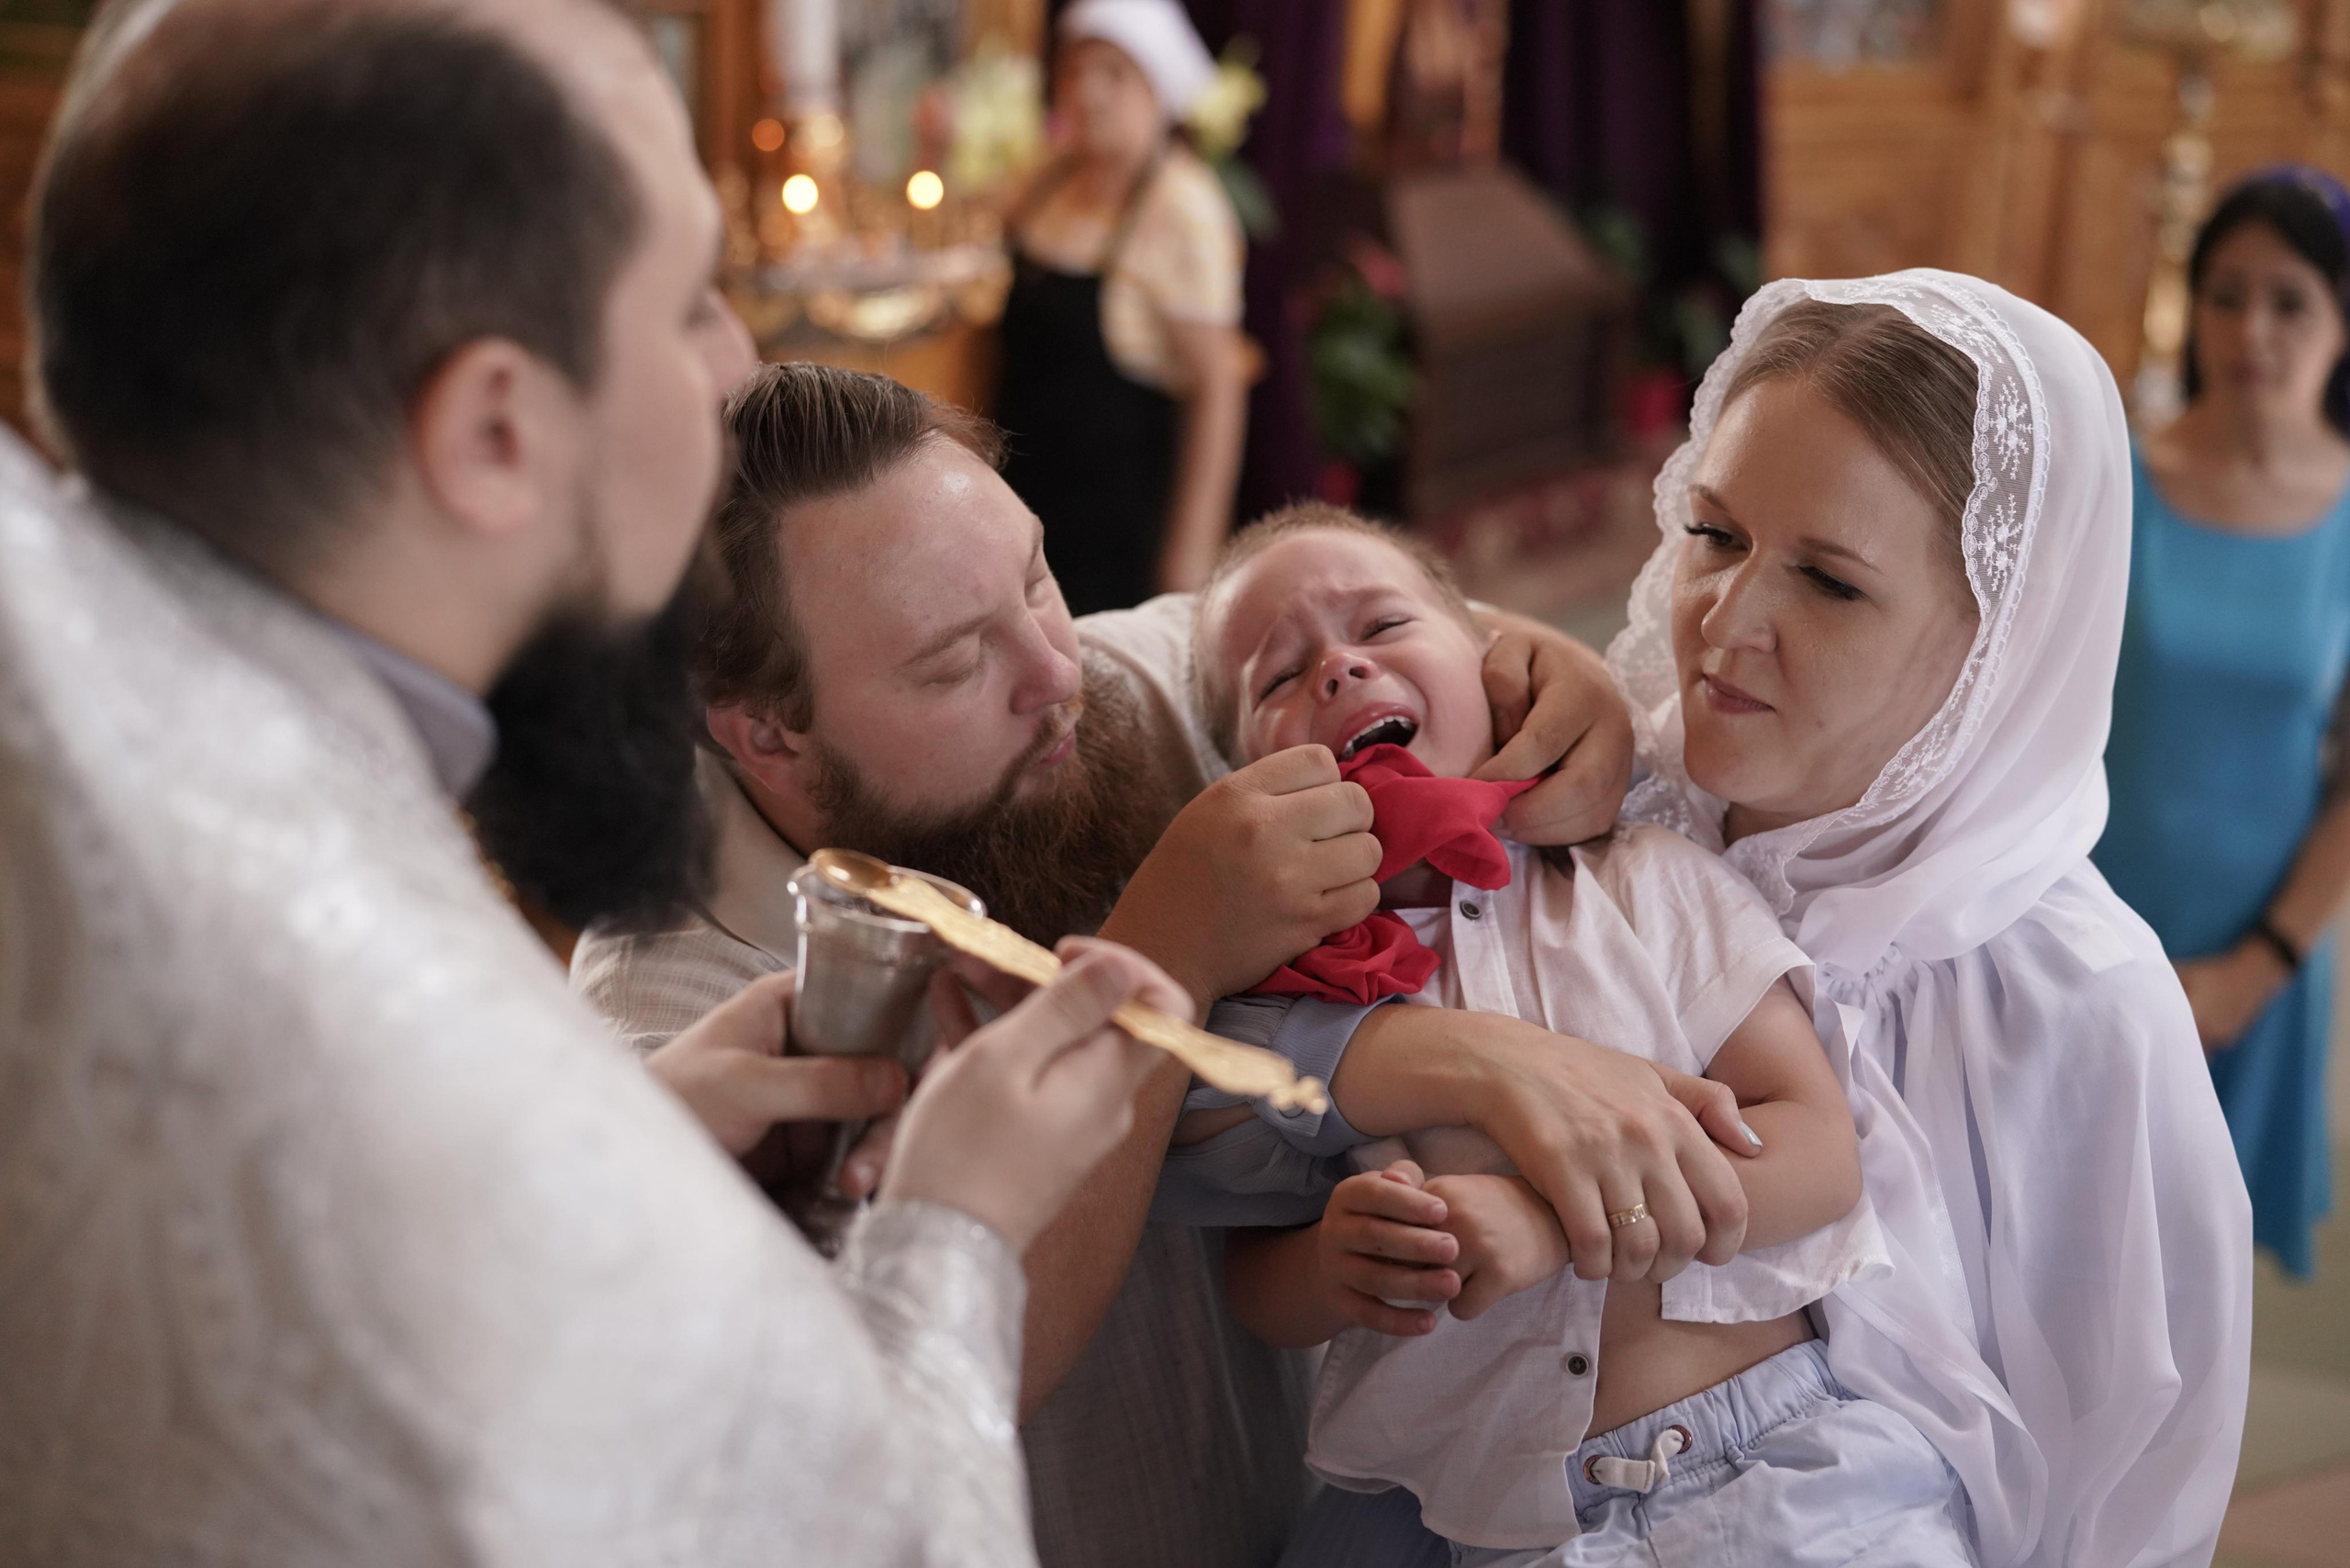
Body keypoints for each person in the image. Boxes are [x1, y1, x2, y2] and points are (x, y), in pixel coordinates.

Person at [0, 0, 1188, 1559]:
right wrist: (948, 1232)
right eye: (692, 297)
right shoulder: (479, 1120)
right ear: (496, 429)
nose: (735, 366)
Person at [572, 362, 1767, 1568]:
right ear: (764, 730)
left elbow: (1360, 623)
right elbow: (878, 1425)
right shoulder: (665, 1024)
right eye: (952, 665)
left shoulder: (1107, 684)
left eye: (1035, 578)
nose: (1054, 677)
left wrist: (1553, 678)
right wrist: (1167, 952)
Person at [1176, 505, 1972, 1566]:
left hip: (1759, 1468)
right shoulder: (1287, 1003)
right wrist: (1335, 1265)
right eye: (1277, 678)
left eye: (1382, 624)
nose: (1336, 668)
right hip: (1500, 1531)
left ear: (1495, 669)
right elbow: (1255, 1277)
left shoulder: (1640, 880)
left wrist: (1547, 1225)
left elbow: (1821, 1154)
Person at [1606, 274, 2252, 1567]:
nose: (1727, 624)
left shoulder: (2080, 1006)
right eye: (1717, 535)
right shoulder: (1605, 814)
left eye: (1832, 585)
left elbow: (2126, 1483)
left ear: (1995, 642)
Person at [2094, 165, 2350, 1277]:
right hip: (2088, 924)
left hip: (2257, 950)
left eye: (2289, 300)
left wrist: (2266, 959)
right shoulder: (2114, 475)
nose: (2251, 329)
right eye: (2225, 294)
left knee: (2191, 1277)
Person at [992, 0, 1248, 614]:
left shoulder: (1182, 207)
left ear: (1158, 88)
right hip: (1026, 499)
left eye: (1114, 73)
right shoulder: (1050, 178)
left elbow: (1218, 386)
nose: (1087, 92)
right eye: (1075, 71)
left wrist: (1189, 555)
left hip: (1116, 526)